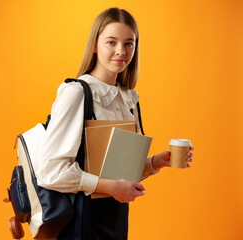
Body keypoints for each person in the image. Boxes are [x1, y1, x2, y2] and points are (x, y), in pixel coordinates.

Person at [35, 7, 194, 240]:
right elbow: (49, 171)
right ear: (96, 45)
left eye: (129, 43)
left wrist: (156, 162)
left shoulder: (129, 99)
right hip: (79, 220)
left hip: (115, 218)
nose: (121, 51)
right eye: (111, 42)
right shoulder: (77, 93)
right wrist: (110, 188)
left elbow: (116, 171)